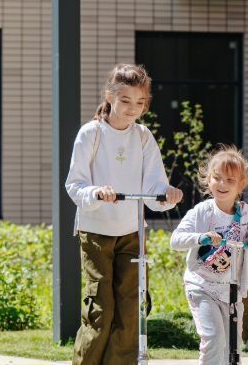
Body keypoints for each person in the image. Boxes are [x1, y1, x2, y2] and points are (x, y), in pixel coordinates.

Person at [65, 63, 184, 364]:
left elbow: (156, 187)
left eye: (140, 102)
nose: (133, 108)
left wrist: (168, 194)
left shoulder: (143, 136)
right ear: (110, 96)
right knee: (100, 308)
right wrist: (95, 193)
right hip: (96, 232)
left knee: (132, 309)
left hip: (133, 232)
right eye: (126, 100)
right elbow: (75, 184)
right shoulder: (91, 134)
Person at [169, 146, 248, 365]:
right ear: (208, 179)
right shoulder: (201, 212)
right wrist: (200, 237)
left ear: (241, 185)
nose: (222, 184)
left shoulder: (247, 215)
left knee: (233, 346)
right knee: (213, 338)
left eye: (230, 180)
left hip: (232, 290)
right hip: (201, 286)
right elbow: (175, 240)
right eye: (217, 178)